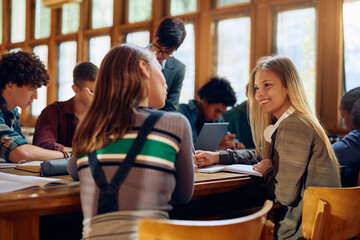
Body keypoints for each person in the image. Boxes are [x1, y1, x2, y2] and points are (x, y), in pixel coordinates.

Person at [195, 55, 341, 239]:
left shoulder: (293, 125)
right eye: (256, 88)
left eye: (267, 85)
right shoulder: (293, 121)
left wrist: (268, 171)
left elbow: (285, 196)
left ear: (288, 86)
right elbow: (262, 156)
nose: (258, 95)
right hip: (317, 226)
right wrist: (218, 157)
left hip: (305, 231)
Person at [67, 44, 194, 240]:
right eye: (160, 70)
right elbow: (183, 195)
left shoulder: (88, 127)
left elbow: (74, 170)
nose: (166, 83)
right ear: (143, 68)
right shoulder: (175, 123)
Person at [0, 51, 66, 162]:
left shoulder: (12, 111)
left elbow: (22, 144)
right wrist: (67, 155)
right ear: (10, 85)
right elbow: (20, 153)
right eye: (31, 89)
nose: (35, 96)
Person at [33, 62, 98, 153]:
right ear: (75, 89)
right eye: (91, 91)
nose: (97, 96)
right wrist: (81, 152)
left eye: (99, 90)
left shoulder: (103, 114)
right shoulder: (52, 112)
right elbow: (42, 144)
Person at [178, 77, 239, 150]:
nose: (218, 116)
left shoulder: (217, 120)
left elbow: (226, 137)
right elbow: (179, 148)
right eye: (217, 111)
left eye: (221, 112)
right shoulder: (181, 113)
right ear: (204, 100)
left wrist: (233, 144)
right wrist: (215, 145)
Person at [150, 17, 186, 111]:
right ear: (154, 36)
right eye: (157, 47)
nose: (159, 55)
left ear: (175, 49)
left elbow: (171, 108)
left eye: (167, 53)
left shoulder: (179, 68)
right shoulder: (136, 58)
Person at [332, 87, 360, 187]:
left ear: (354, 113)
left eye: (343, 116)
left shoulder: (356, 139)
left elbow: (329, 154)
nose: (343, 122)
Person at [222, 84, 255, 149]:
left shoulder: (271, 115)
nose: (259, 96)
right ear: (247, 94)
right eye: (255, 91)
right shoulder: (228, 116)